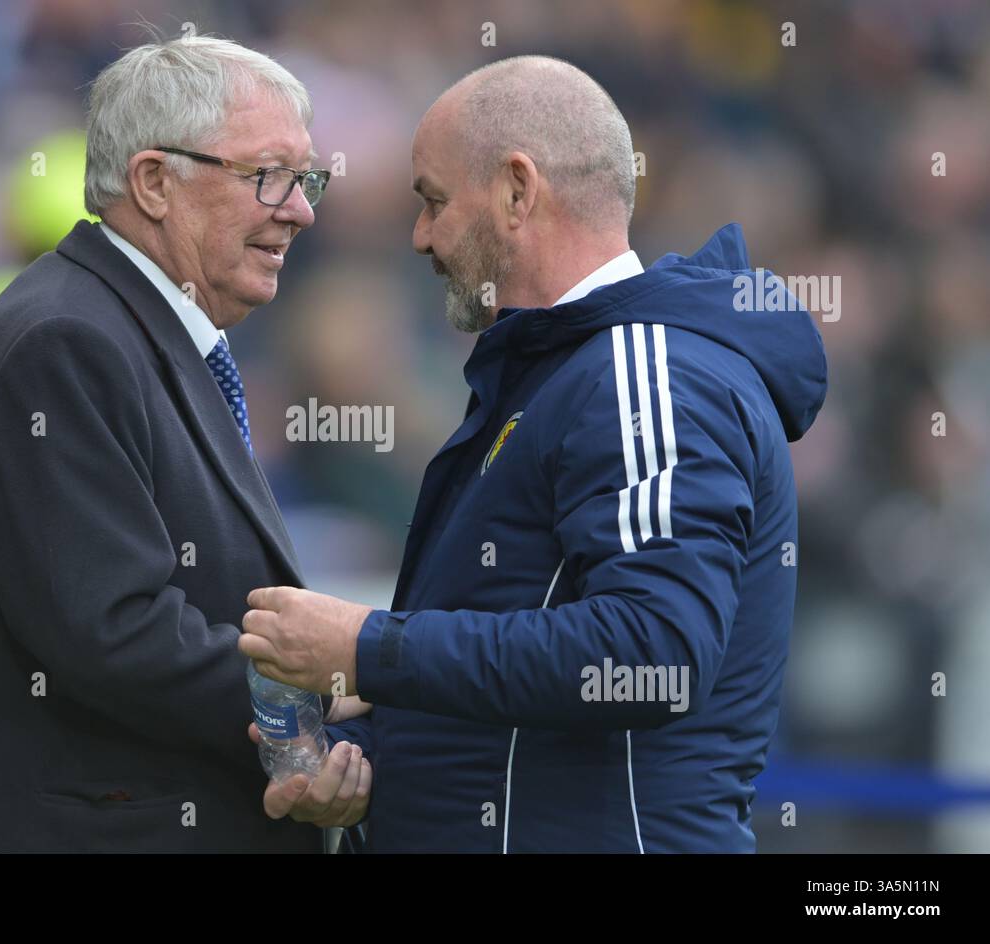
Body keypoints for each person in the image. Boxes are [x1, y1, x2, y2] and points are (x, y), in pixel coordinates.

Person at [239, 56, 828, 852]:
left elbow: (654, 650)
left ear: (518, 191)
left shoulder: (640, 372)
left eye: (433, 201)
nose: (420, 236)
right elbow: (517, 654)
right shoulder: (559, 374)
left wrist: (368, 648)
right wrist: (378, 750)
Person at [0, 33, 367, 853]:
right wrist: (325, 685)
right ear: (155, 182)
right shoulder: (65, 343)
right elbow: (116, 634)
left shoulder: (122, 331)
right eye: (268, 175)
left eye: (308, 180)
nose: (298, 208)